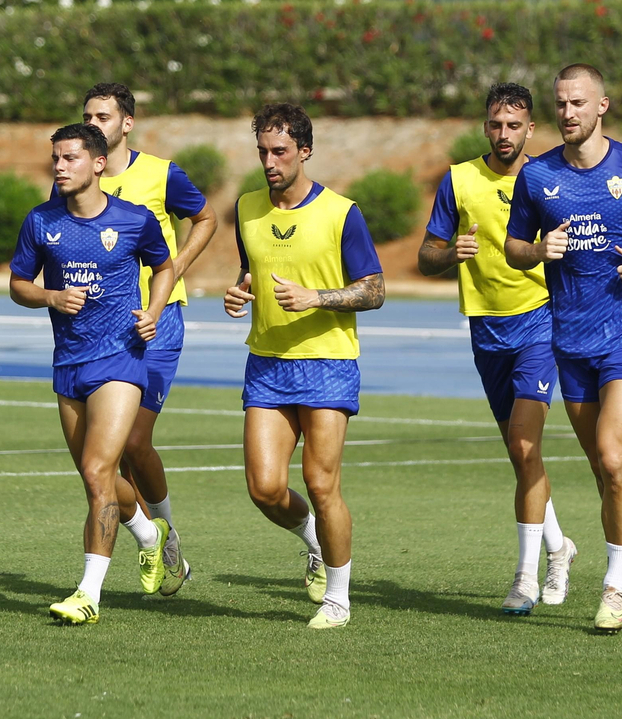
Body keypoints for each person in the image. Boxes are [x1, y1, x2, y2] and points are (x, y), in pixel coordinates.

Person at [505, 64, 622, 632]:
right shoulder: (537, 177)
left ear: (603, 106)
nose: (568, 113)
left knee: (614, 454)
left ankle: (615, 586)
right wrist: (540, 252)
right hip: (571, 338)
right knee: (602, 466)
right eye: (561, 104)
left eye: (579, 103)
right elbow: (515, 247)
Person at [417, 83, 576, 615]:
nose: (503, 134)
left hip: (541, 323)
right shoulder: (459, 179)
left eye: (514, 125)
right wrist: (448, 255)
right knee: (519, 451)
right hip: (485, 330)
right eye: (495, 125)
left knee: (526, 447)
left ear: (531, 129)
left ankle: (526, 577)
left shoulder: (550, 177)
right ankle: (561, 547)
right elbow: (425, 255)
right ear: (485, 126)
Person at [224, 103, 385, 630]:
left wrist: (317, 297)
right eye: (263, 152)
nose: (270, 162)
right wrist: (239, 293)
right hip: (267, 361)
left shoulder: (342, 212)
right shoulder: (247, 208)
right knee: (264, 488)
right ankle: (314, 540)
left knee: (320, 482)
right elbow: (252, 272)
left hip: (327, 362)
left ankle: (338, 597)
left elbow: (374, 290)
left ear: (304, 152)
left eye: (280, 152)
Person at [10, 122, 178, 626]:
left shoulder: (134, 220)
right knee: (95, 477)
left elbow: (165, 267)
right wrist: (50, 297)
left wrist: (154, 309)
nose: (59, 167)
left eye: (70, 159)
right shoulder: (41, 222)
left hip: (122, 360)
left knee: (96, 470)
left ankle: (89, 594)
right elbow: (18, 284)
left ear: (98, 163)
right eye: (55, 159)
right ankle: (151, 535)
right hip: (69, 363)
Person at [77, 82, 217, 594]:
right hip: (98, 328)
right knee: (104, 458)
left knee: (134, 441)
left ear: (126, 123)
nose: (94, 124)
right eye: (88, 116)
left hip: (156, 323)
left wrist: (175, 269)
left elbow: (206, 218)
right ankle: (148, 536)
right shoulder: (72, 178)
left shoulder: (161, 174)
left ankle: (167, 535)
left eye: (104, 117)